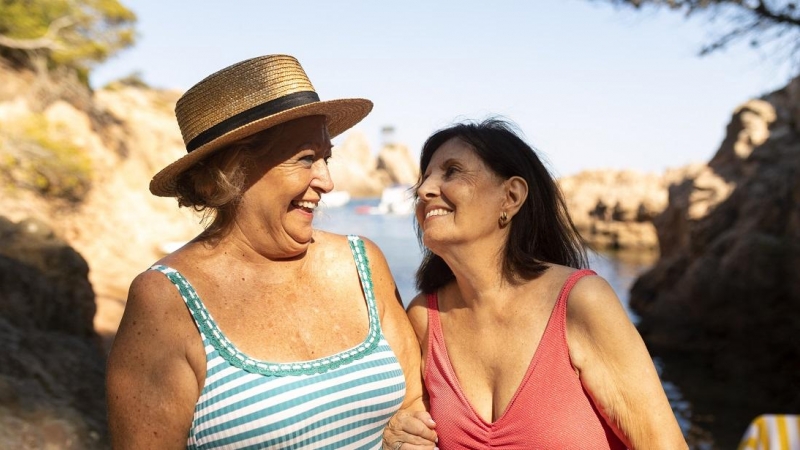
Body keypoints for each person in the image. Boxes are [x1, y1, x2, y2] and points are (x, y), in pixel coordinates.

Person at [106, 54, 437, 449]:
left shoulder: (362, 262)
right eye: (305, 159)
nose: (327, 181)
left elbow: (411, 404)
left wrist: (406, 433)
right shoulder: (166, 300)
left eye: (326, 157)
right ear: (228, 176)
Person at [390, 119, 688, 449]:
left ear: (511, 196)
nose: (423, 190)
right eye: (424, 178)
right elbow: (413, 428)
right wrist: (398, 431)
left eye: (452, 172)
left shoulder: (581, 302)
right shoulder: (423, 317)